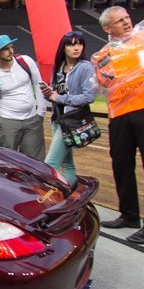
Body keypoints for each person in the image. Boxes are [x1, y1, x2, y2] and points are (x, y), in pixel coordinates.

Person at [93, 6, 144, 244]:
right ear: (107, 29)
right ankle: (129, 215)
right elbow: (104, 84)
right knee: (121, 166)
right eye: (119, 21)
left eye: (127, 18)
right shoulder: (102, 55)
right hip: (120, 114)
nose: (127, 22)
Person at [40, 31, 97, 185]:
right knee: (67, 164)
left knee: (50, 164)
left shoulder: (86, 67)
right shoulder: (59, 67)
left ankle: (54, 194)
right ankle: (72, 190)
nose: (76, 48)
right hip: (57, 119)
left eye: (79, 44)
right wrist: (48, 94)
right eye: (71, 45)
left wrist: (59, 98)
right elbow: (54, 94)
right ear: (63, 48)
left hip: (71, 121)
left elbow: (89, 97)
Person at [0, 34, 46, 161]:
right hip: (8, 123)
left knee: (36, 161)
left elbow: (39, 85)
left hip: (32, 120)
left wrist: (40, 113)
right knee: (6, 161)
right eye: (6, 49)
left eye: (11, 47)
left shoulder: (26, 61)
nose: (10, 51)